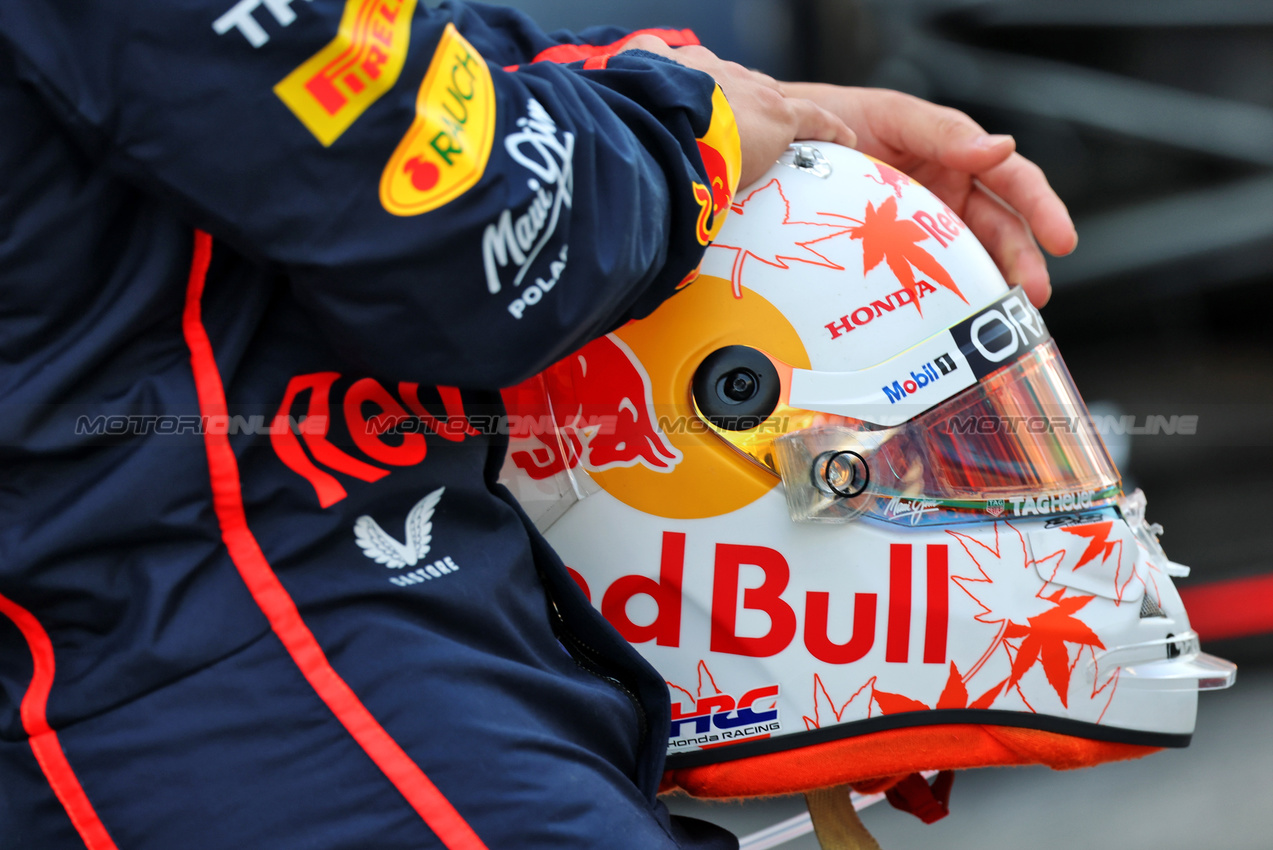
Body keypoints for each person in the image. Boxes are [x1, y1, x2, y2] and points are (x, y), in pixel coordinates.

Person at [0, 2, 1075, 848]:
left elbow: (361, 62)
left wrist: (759, 105)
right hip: (223, 667)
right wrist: (686, 129)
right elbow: (468, 233)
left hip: (257, 628)